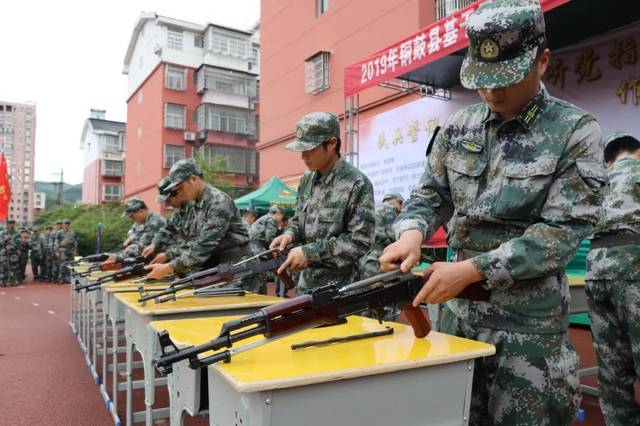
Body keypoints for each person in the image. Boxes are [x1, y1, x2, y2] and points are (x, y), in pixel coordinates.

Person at [379, 1, 606, 424]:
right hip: (457, 319)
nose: (493, 92)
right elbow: (430, 193)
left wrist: (470, 270)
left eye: (506, 78)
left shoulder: (574, 130)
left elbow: (559, 235)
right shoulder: (458, 128)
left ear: (542, 61)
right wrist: (411, 233)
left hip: (527, 333)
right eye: (483, 80)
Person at [271, 112, 374, 292]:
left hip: (341, 291)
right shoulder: (307, 180)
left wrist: (309, 253)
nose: (303, 156)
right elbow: (298, 220)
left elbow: (359, 242)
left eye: (310, 149)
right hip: (306, 288)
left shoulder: (357, 184)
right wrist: (290, 234)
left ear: (332, 143)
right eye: (301, 150)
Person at [585, 131, 640, 425]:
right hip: (634, 268)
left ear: (608, 159)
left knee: (611, 367)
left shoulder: (597, 183)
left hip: (596, 271)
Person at [144, 160, 263, 293]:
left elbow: (204, 245)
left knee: (241, 312)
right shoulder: (196, 204)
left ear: (193, 179)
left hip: (239, 270)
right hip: (220, 268)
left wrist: (169, 267)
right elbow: (193, 242)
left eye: (180, 187)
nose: (180, 192)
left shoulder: (218, 202)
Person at [101, 198, 165, 266]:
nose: (132, 219)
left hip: (160, 260)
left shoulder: (155, 222)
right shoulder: (141, 221)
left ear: (141, 211)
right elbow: (133, 235)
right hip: (147, 258)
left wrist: (118, 256)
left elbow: (143, 246)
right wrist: (130, 240)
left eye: (132, 217)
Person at [359, 192, 404, 279]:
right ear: (398, 201)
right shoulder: (390, 209)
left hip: (366, 260)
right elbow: (395, 237)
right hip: (381, 259)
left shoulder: (373, 209)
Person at [249, 205, 289, 296]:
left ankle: (257, 296)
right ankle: (262, 297)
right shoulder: (271, 220)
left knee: (256, 276)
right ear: (279, 214)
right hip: (258, 250)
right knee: (261, 276)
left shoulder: (264, 218)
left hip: (252, 250)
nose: (282, 221)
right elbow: (270, 239)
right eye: (282, 216)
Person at [55, 219, 77, 283]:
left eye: (67, 224)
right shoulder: (59, 232)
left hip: (70, 250)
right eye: (65, 223)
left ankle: (68, 279)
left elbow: (75, 242)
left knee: (69, 265)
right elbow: (56, 242)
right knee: (62, 265)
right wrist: (56, 251)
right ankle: (61, 278)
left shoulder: (72, 232)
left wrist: (75, 250)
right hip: (62, 250)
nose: (66, 225)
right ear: (63, 224)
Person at [0, 220, 20, 286]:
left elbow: (18, 245)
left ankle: (13, 281)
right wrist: (5, 240)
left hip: (13, 253)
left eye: (13, 224)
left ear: (14, 225)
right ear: (7, 224)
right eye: (10, 223)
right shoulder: (2, 233)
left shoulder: (17, 234)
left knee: (14, 268)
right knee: (3, 267)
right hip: (4, 253)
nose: (11, 225)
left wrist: (11, 242)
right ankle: (3, 281)